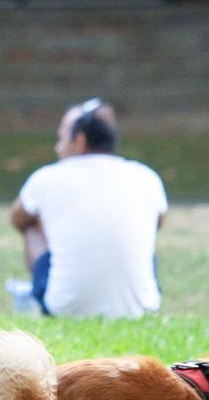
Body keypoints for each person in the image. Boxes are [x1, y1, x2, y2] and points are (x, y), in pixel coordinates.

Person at [9, 99, 167, 319]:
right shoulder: (146, 176)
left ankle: (50, 294)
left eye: (62, 139)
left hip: (65, 309)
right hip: (142, 309)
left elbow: (17, 218)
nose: (58, 148)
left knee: (31, 224)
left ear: (80, 140)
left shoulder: (48, 178)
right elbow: (158, 223)